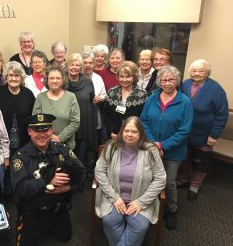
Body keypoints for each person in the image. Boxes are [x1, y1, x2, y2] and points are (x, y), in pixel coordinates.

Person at [10, 113, 84, 246]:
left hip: (58, 210)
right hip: (32, 214)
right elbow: (20, 189)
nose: (42, 134)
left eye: (46, 130)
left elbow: (82, 173)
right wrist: (47, 181)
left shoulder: (63, 150)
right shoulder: (20, 157)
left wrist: (68, 188)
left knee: (65, 237)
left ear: (52, 130)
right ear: (29, 131)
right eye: (37, 130)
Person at [94, 116, 166, 246]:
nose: (129, 135)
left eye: (134, 132)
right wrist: (114, 197)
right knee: (109, 221)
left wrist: (141, 202)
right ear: (122, 131)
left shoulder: (151, 150)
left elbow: (161, 179)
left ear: (141, 134)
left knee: (140, 226)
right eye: (127, 131)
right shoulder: (112, 146)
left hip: (141, 198)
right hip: (114, 197)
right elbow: (99, 171)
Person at [140, 65, 193, 230]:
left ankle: (171, 210)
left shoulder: (185, 102)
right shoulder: (152, 98)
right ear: (159, 81)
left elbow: (184, 130)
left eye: (171, 79)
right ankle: (151, 207)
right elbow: (144, 121)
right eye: (164, 80)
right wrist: (153, 143)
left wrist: (163, 145)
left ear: (177, 81)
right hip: (151, 147)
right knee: (149, 179)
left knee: (168, 182)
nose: (168, 83)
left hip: (174, 152)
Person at [177, 59, 228, 201]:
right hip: (185, 132)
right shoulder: (185, 84)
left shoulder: (216, 89)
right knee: (184, 158)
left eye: (201, 71)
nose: (197, 73)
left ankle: (195, 186)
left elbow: (221, 114)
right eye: (194, 70)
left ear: (207, 73)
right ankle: (183, 179)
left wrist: (214, 135)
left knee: (201, 161)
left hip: (205, 135)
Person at [0, 61, 36, 198]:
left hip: (24, 141)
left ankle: (23, 191)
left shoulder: (28, 94)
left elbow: (33, 116)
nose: (13, 78)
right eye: (10, 75)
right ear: (6, 77)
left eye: (17, 75)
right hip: (2, 141)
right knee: (6, 170)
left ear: (22, 77)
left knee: (23, 167)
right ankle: (8, 194)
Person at [32, 65, 80, 150]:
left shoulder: (71, 97)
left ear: (63, 80)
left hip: (66, 147)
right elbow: (35, 121)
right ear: (47, 80)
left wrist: (60, 138)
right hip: (44, 146)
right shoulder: (40, 97)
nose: (54, 81)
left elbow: (75, 122)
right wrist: (50, 136)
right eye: (51, 78)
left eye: (58, 78)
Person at [66, 53, 98, 174]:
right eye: (72, 64)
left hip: (85, 125)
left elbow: (92, 103)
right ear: (67, 66)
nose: (74, 67)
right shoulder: (62, 81)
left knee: (82, 156)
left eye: (77, 65)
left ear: (81, 67)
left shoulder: (88, 82)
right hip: (67, 125)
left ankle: (81, 181)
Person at [104, 61, 147, 139]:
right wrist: (110, 132)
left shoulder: (141, 94)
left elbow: (143, 118)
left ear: (134, 77)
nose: (124, 80)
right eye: (122, 76)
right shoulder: (112, 92)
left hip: (133, 136)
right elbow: (106, 115)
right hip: (114, 136)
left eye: (128, 76)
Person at [82, 52, 107, 144]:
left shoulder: (98, 78)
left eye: (90, 63)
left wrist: (101, 98)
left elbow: (104, 95)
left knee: (92, 142)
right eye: (85, 62)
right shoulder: (77, 77)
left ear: (94, 64)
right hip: (81, 114)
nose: (88, 65)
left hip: (94, 113)